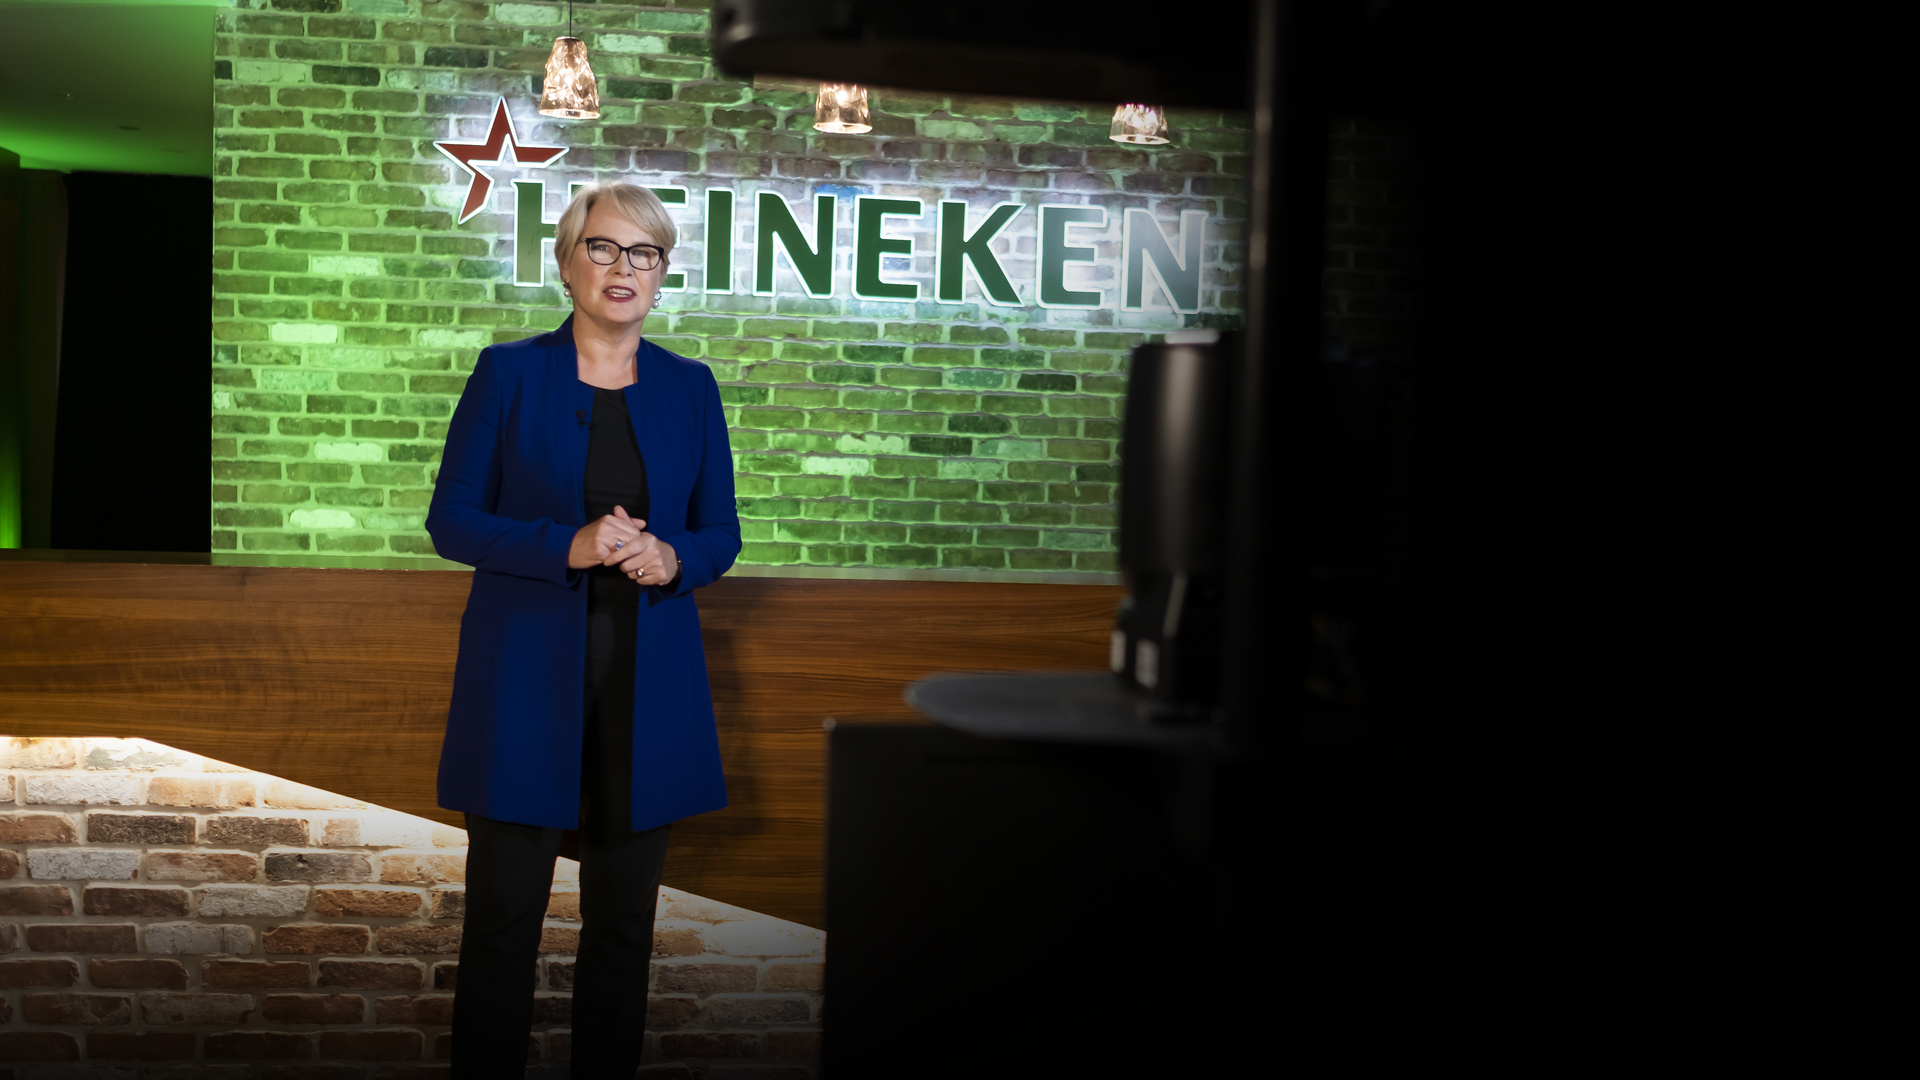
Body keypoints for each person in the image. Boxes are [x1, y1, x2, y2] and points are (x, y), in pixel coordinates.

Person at [425, 181, 740, 1078]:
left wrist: (674, 557)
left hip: (648, 684)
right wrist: (565, 543)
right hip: (527, 682)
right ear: (567, 264)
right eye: (602, 247)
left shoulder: (691, 386)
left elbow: (721, 531)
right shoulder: (508, 373)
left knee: (623, 928)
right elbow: (452, 521)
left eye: (645, 252)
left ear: (662, 273)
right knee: (502, 925)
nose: (623, 267)